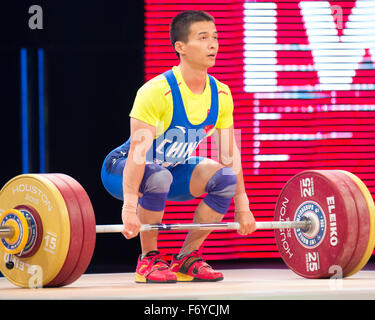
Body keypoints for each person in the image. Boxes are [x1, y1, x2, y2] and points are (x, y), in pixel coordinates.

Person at [101, 10, 256, 283]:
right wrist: (129, 207)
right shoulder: (155, 92)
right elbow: (138, 155)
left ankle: (187, 257)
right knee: (159, 175)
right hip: (123, 169)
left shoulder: (221, 93)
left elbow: (230, 154)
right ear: (180, 47)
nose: (213, 44)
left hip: (170, 170)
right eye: (203, 37)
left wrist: (242, 205)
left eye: (216, 37)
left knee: (225, 179)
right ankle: (148, 259)